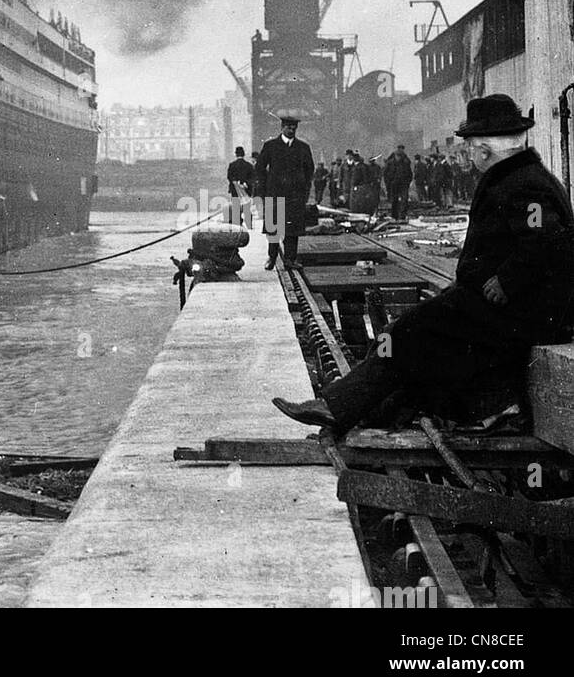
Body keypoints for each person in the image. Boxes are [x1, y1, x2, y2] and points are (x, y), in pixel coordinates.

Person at [273, 94, 574, 434]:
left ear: (486, 150)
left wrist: (506, 280)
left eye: (472, 147)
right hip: (509, 307)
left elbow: (546, 238)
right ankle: (368, 412)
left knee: (404, 335)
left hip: (519, 312)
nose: (470, 154)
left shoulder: (524, 185)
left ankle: (337, 407)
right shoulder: (519, 178)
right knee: (418, 339)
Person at [253, 115, 315, 269]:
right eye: (288, 127)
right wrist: (266, 187)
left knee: (292, 231)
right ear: (282, 128)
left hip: (295, 196)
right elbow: (260, 168)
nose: (291, 130)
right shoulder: (271, 146)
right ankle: (271, 258)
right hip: (275, 194)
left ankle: (290, 260)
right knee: (274, 228)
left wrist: (304, 189)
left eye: (294, 128)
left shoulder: (303, 148)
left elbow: (309, 170)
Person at [226, 146, 255, 230]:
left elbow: (229, 177)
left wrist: (236, 183)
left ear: (236, 154)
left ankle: (237, 223)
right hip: (246, 190)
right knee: (246, 208)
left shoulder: (232, 165)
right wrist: (245, 183)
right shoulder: (249, 165)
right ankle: (249, 224)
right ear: (244, 154)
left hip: (235, 190)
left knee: (236, 207)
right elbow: (253, 178)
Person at [384, 144, 413, 221]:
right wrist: (388, 184)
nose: (398, 157)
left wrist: (407, 183)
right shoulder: (390, 162)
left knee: (404, 200)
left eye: (400, 156)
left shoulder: (406, 162)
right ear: (395, 155)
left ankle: (402, 216)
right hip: (393, 184)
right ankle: (394, 216)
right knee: (394, 200)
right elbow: (385, 174)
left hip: (403, 184)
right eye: (397, 156)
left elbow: (410, 174)